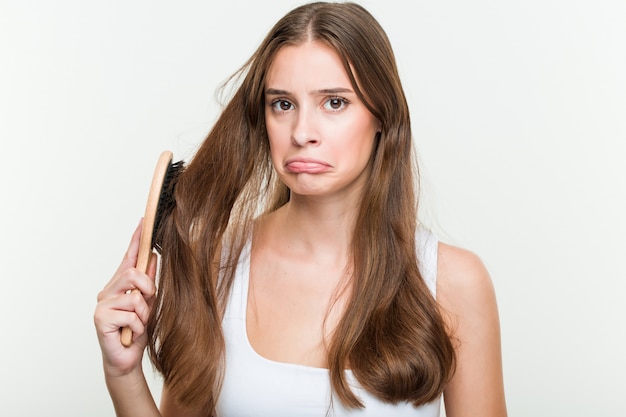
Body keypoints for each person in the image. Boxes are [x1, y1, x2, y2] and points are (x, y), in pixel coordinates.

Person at [94, 2, 507, 416]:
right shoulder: (216, 264)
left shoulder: (452, 282)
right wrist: (124, 374)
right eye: (283, 104)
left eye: (334, 103)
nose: (302, 133)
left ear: (383, 115)